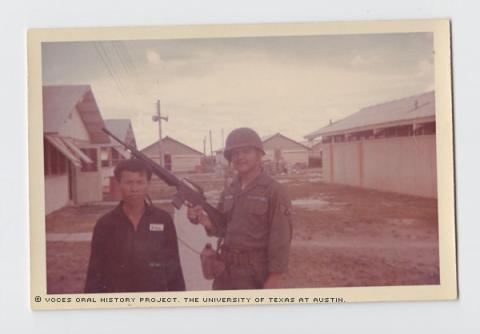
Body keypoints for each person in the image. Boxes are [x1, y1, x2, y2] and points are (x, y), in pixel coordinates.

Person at [188, 127, 292, 290]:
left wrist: (273, 280)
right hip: (225, 273)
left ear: (259, 154)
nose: (240, 157)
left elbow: (281, 240)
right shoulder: (230, 190)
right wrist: (202, 219)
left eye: (246, 151)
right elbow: (222, 228)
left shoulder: (274, 191)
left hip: (255, 275)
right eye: (235, 153)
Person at [85, 159, 185, 293]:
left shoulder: (163, 220)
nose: (134, 189)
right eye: (128, 183)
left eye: (140, 182)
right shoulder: (105, 224)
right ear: (119, 184)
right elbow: (95, 273)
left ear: (148, 184)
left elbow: (174, 269)